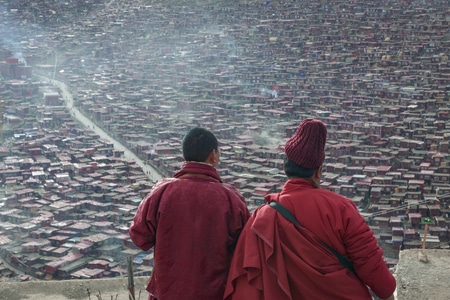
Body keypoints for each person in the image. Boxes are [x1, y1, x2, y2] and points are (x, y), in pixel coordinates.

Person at [224, 119, 396, 300]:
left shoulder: (262, 218)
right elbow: (368, 261)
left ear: (285, 167)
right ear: (318, 172)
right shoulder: (340, 208)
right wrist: (387, 293)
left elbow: (246, 275)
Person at [129, 127, 250, 300]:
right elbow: (246, 249)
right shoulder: (231, 199)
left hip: (168, 293)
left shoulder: (162, 192)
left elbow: (139, 237)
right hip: (215, 294)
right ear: (213, 155)